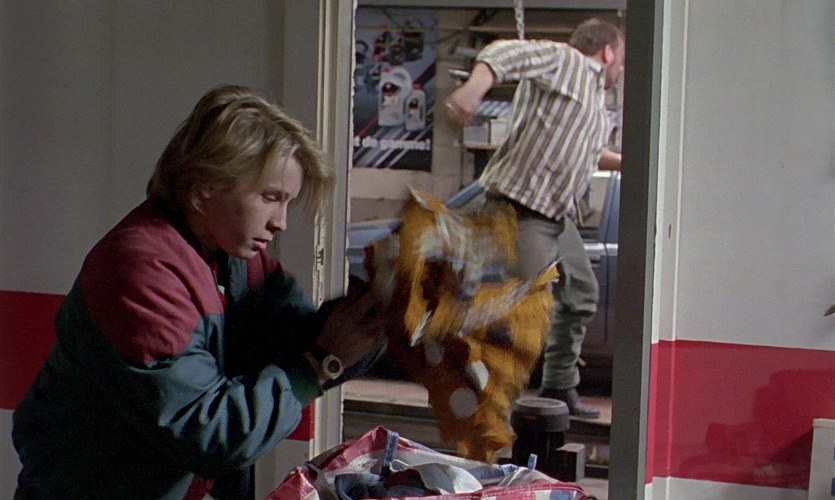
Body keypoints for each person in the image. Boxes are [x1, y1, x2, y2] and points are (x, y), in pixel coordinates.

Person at [12, 84, 387, 499]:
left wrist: (382, 304)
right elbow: (210, 433)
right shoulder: (141, 270)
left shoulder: (235, 259)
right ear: (204, 185)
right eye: (270, 198)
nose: (280, 222)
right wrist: (318, 365)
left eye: (287, 203)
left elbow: (306, 340)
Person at [445, 18, 625, 418]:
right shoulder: (567, 61)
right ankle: (487, 405)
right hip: (519, 207)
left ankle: (560, 385)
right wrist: (472, 92)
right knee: (520, 310)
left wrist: (626, 161)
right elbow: (503, 52)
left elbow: (589, 152)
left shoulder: (594, 100)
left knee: (581, 293)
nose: (621, 69)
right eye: (622, 61)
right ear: (608, 51)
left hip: (556, 215)